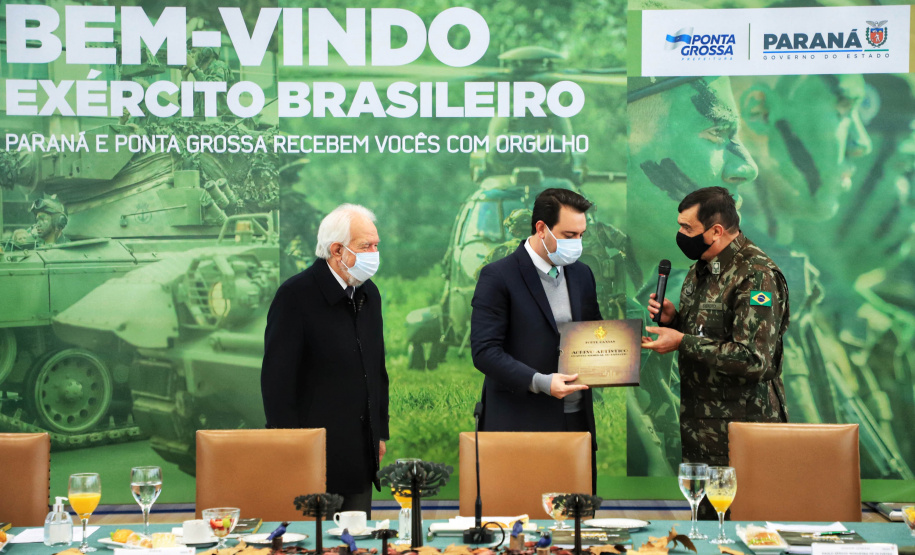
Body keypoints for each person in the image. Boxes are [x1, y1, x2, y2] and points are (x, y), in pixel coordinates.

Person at [642, 187, 790, 516]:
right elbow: (711, 333)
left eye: (687, 228)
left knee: (743, 529)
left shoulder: (756, 275)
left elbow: (753, 359)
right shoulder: (703, 268)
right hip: (701, 430)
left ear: (716, 231)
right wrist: (676, 321)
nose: (680, 235)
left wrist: (681, 341)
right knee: (706, 530)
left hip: (741, 434)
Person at [470, 188, 602, 491]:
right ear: (541, 229)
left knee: (576, 525)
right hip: (521, 424)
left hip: (577, 421)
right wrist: (541, 381)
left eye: (581, 235)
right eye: (569, 235)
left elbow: (594, 333)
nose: (576, 244)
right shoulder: (498, 276)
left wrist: (622, 352)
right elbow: (485, 352)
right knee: (521, 517)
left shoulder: (582, 275)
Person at [261, 203, 389, 514]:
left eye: (376, 245)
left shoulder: (369, 294)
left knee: (356, 541)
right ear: (336, 250)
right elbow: (277, 382)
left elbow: (376, 370)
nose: (374, 252)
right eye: (365, 246)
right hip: (312, 458)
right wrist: (291, 446)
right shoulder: (295, 296)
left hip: (360, 455)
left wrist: (380, 433)